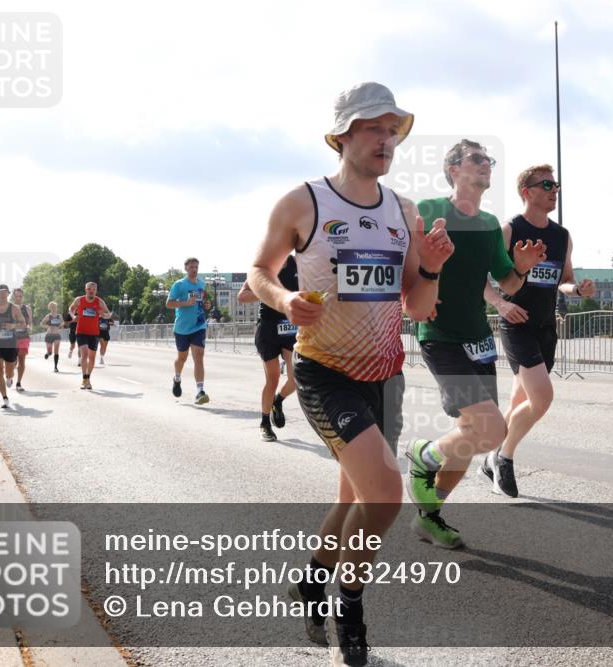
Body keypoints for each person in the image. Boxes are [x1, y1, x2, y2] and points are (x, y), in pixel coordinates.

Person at [248, 81, 452, 666]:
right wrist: (285, 300)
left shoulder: (404, 211)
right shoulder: (304, 202)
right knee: (384, 495)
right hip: (325, 372)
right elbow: (259, 271)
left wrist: (431, 269)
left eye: (393, 129)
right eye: (373, 128)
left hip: (385, 374)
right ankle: (351, 605)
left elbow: (417, 306)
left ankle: (312, 582)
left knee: (355, 498)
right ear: (342, 135)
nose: (386, 139)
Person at [406, 139, 545, 549]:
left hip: (479, 339)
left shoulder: (488, 224)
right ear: (454, 169)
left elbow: (508, 283)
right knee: (490, 428)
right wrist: (412, 295)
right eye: (477, 159)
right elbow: (403, 262)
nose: (487, 165)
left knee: (470, 432)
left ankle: (429, 517)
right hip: (440, 336)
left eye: (489, 160)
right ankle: (424, 454)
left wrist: (521, 268)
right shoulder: (429, 209)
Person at [481, 164, 595, 497]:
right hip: (517, 325)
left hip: (546, 327)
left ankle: (490, 457)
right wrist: (501, 305)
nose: (554, 190)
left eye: (556, 185)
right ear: (526, 192)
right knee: (542, 398)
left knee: (520, 401)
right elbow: (479, 279)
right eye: (547, 185)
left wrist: (578, 289)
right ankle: (503, 458)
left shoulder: (562, 236)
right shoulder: (509, 230)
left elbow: (564, 279)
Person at [238, 255, 299, 442]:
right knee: (273, 378)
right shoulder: (264, 267)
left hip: (290, 327)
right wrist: (264, 291)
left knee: (297, 377)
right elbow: (242, 297)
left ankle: (278, 401)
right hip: (268, 328)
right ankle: (265, 423)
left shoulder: (299, 263)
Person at [166, 258, 210, 405]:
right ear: (186, 268)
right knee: (182, 358)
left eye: (196, 267)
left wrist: (206, 305)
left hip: (198, 325)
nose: (194, 269)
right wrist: (185, 303)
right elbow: (168, 303)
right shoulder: (179, 285)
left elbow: (201, 302)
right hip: (182, 328)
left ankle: (200, 391)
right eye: (191, 267)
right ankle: (177, 378)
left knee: (199, 356)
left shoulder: (201, 284)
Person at [68, 282, 111, 390]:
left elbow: (108, 314)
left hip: (94, 333)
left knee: (92, 358)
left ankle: (88, 378)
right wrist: (73, 316)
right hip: (81, 331)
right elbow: (71, 309)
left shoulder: (99, 301)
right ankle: (84, 379)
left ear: (96, 291)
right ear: (85, 290)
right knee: (85, 353)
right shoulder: (79, 300)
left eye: (93, 289)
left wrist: (103, 315)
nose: (91, 291)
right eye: (89, 289)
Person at [11, 288, 32, 391]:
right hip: (11, 337)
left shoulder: (27, 308)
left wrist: (29, 327)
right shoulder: (9, 308)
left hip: (24, 336)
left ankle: (18, 383)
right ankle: (9, 375)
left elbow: (30, 322)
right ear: (13, 296)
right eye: (16, 296)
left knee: (22, 359)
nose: (18, 298)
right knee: (12, 361)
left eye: (20, 296)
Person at [40, 302, 64, 372]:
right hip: (49, 335)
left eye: (54, 307)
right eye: (52, 307)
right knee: (50, 352)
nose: (53, 308)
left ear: (56, 308)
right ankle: (48, 353)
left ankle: (55, 367)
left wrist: (60, 327)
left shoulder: (59, 316)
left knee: (56, 351)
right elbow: (41, 323)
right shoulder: (48, 316)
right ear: (50, 308)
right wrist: (47, 326)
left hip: (56, 335)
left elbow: (62, 324)